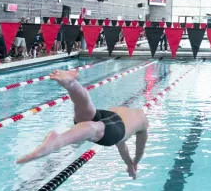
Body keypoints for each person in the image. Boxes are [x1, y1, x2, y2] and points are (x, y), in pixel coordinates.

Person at [17, 68, 149, 178]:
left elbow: (122, 147)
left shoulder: (129, 112)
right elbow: (139, 149)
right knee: (95, 128)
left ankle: (72, 85)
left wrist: (129, 163)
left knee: (85, 111)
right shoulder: (143, 121)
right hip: (115, 126)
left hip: (108, 114)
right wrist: (134, 163)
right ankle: (58, 140)